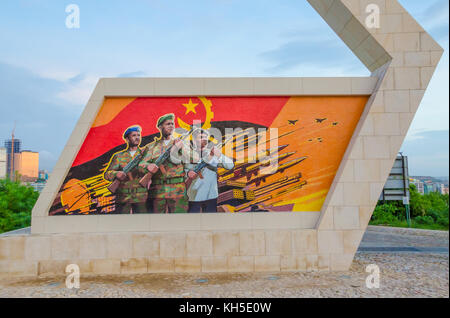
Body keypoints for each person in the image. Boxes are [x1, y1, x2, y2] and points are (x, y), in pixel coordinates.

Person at [138, 113, 190, 213]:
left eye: (172, 124)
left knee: (180, 221)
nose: (171, 126)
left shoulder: (180, 143)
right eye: (167, 124)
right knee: (156, 222)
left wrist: (181, 148)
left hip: (177, 190)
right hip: (158, 191)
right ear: (160, 127)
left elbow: (192, 159)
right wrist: (148, 166)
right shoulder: (152, 147)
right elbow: (141, 165)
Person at [185, 128, 234, 212]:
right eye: (200, 137)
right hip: (193, 197)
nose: (204, 139)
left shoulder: (214, 154)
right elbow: (184, 172)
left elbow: (230, 166)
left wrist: (220, 155)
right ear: (194, 140)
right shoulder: (188, 155)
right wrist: (188, 173)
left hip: (211, 196)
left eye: (205, 137)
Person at [104, 126, 148, 214]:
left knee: (142, 223)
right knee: (122, 223)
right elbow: (107, 174)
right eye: (134, 135)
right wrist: (116, 174)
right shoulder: (118, 156)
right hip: (123, 197)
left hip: (141, 196)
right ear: (127, 139)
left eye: (139, 135)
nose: (137, 138)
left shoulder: (146, 154)